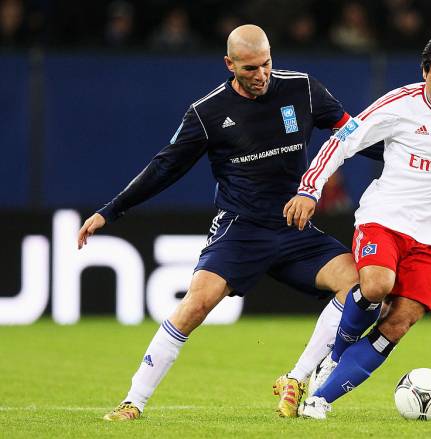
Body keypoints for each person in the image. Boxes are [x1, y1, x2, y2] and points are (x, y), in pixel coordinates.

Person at [77, 24, 382, 421]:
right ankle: (133, 401)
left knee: (360, 287)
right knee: (196, 304)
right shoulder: (207, 113)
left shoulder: (303, 89)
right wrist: (111, 210)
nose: (261, 75)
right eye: (250, 68)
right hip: (241, 229)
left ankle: (296, 377)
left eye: (266, 64)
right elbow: (165, 167)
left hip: (293, 227)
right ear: (229, 64)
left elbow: (354, 134)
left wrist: (413, 156)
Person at [284, 33, 431, 419]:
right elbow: (341, 142)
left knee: (398, 323)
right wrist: (309, 189)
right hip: (385, 219)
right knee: (376, 286)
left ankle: (319, 400)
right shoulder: (399, 104)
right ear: (424, 72)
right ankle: (333, 358)